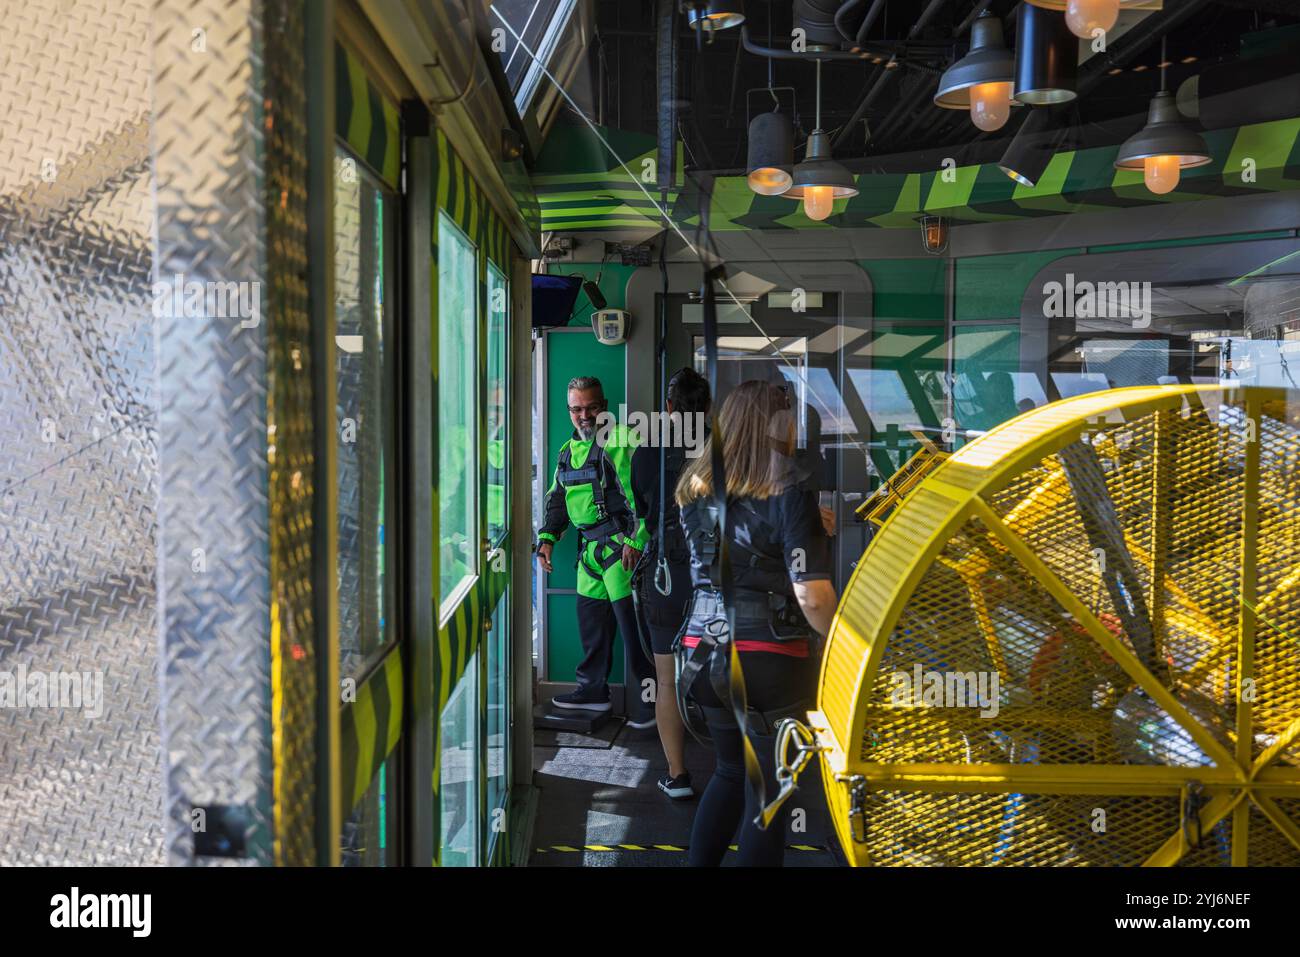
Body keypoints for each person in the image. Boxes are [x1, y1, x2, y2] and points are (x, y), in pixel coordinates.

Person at [675, 379, 838, 867]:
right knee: (768, 794)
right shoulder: (789, 489)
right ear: (776, 426)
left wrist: (805, 526)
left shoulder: (695, 488)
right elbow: (811, 594)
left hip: (701, 653)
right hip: (769, 660)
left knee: (729, 773)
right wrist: (846, 644)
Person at [537, 376, 655, 726]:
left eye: (591, 407)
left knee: (638, 637)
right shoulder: (565, 452)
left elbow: (646, 497)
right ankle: (593, 691)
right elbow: (556, 500)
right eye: (577, 409)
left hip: (621, 553)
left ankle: (652, 705)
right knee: (593, 631)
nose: (585, 415)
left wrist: (636, 540)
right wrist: (547, 538)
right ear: (569, 410)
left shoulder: (623, 440)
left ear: (604, 404)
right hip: (589, 555)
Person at [630, 367, 711, 801]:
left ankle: (678, 774)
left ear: (668, 407)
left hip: (665, 576)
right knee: (722, 670)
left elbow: (643, 508)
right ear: (709, 407)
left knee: (666, 679)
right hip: (714, 579)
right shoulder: (724, 449)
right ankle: (731, 770)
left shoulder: (648, 449)